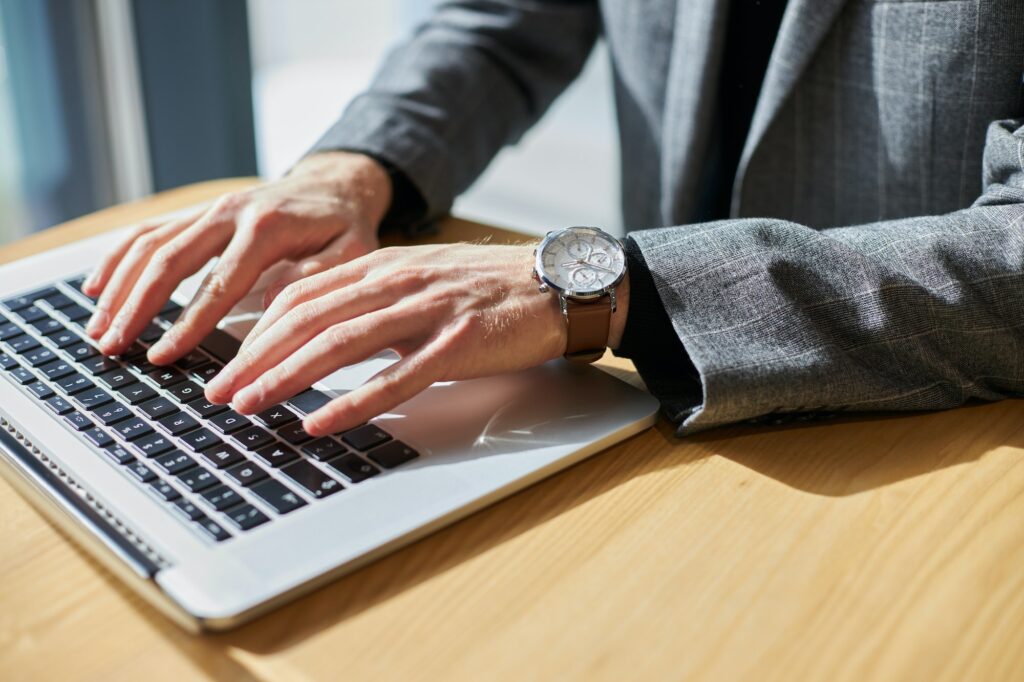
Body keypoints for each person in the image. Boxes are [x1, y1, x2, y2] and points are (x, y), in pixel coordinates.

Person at [82, 1, 1024, 438]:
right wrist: (357, 167)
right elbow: (508, 16)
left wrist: (615, 289)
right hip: (650, 407)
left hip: (929, 441)